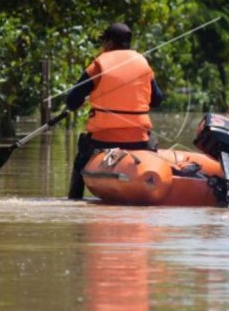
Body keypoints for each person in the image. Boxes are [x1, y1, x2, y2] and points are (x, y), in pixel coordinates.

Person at [65, 22, 164, 199]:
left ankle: (74, 199)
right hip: (139, 140)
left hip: (102, 140)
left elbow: (71, 101)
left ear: (110, 43)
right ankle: (151, 176)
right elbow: (157, 100)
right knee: (152, 139)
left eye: (104, 42)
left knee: (81, 156)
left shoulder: (98, 65)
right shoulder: (143, 64)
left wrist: (87, 98)